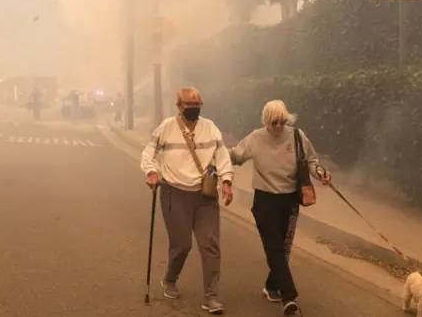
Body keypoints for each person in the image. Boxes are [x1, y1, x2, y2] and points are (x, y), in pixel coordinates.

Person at [230, 100, 331, 316]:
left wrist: (320, 173)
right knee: (274, 247)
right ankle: (289, 297)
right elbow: (235, 156)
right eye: (273, 122)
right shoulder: (256, 137)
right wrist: (214, 158)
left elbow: (311, 160)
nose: (278, 127)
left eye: (282, 122)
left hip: (289, 199)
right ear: (265, 121)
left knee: (283, 249)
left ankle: (271, 286)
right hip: (265, 200)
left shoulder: (296, 135)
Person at [140, 87, 234, 315]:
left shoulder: (210, 127)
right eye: (189, 106)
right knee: (182, 244)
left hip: (205, 196)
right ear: (179, 106)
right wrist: (151, 172)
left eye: (197, 105)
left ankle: (211, 297)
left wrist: (227, 181)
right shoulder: (167, 127)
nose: (194, 110)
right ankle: (170, 279)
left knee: (210, 245)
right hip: (175, 193)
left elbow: (222, 157)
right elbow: (148, 153)